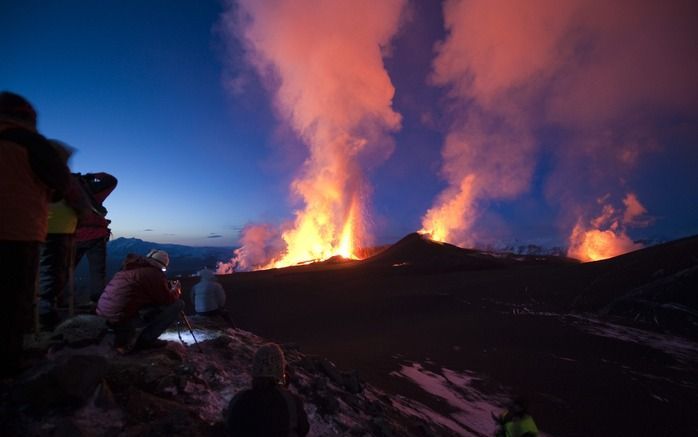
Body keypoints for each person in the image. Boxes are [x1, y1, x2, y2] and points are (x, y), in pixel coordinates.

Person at [0, 91, 70, 376]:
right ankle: (9, 369)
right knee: (13, 300)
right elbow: (60, 182)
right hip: (16, 230)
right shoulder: (28, 142)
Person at [37, 145, 93, 330]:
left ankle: (33, 313)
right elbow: (81, 204)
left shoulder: (31, 170)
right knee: (52, 273)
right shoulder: (63, 176)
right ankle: (46, 314)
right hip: (60, 230)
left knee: (34, 270)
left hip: (31, 227)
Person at [96, 249, 184, 353]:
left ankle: (135, 334)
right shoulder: (153, 273)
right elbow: (167, 299)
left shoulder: (129, 268)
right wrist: (176, 290)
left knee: (151, 305)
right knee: (178, 304)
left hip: (104, 314)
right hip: (119, 318)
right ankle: (146, 341)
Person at [226, 343, 309, 437]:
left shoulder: (239, 399)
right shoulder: (292, 402)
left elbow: (230, 427)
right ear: (280, 370)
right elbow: (303, 429)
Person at [73, 172, 117, 303]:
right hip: (96, 236)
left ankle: (53, 300)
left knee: (63, 270)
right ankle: (97, 303)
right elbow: (111, 181)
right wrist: (91, 175)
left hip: (73, 236)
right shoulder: (91, 190)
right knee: (98, 273)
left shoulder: (62, 190)